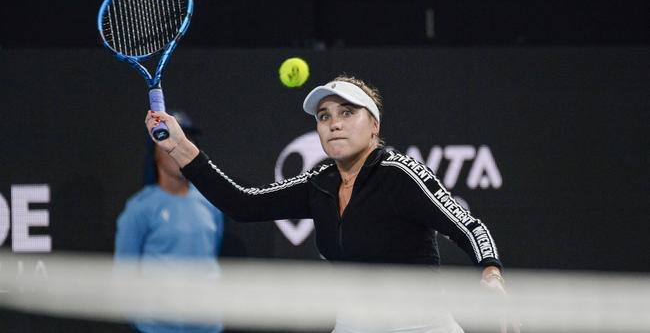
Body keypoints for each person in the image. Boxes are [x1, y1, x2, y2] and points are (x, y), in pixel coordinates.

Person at [144, 76, 508, 333]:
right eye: (324, 116)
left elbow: (469, 226)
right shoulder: (319, 183)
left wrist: (491, 273)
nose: (334, 124)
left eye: (347, 113)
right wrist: (179, 146)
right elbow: (243, 204)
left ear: (374, 126)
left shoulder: (400, 174)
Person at [116, 110, 225, 333]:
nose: (179, 147)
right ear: (155, 152)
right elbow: (124, 274)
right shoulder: (140, 208)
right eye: (168, 139)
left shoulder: (211, 202)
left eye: (186, 140)